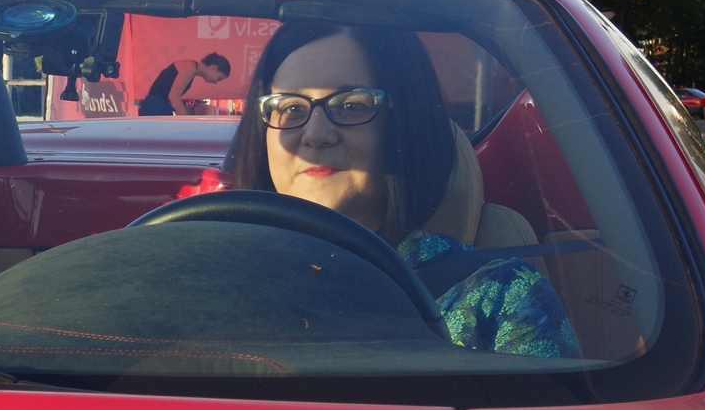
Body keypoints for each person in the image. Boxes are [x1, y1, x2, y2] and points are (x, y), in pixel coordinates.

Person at [224, 22, 580, 358]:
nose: (316, 135)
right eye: (289, 107)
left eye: (350, 106)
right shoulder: (216, 274)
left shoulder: (501, 298)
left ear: (404, 127)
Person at [138, 53, 231, 116]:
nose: (215, 83)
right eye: (219, 78)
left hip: (157, 105)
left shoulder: (190, 68)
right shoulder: (190, 67)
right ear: (214, 68)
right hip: (156, 106)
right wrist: (185, 120)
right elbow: (174, 96)